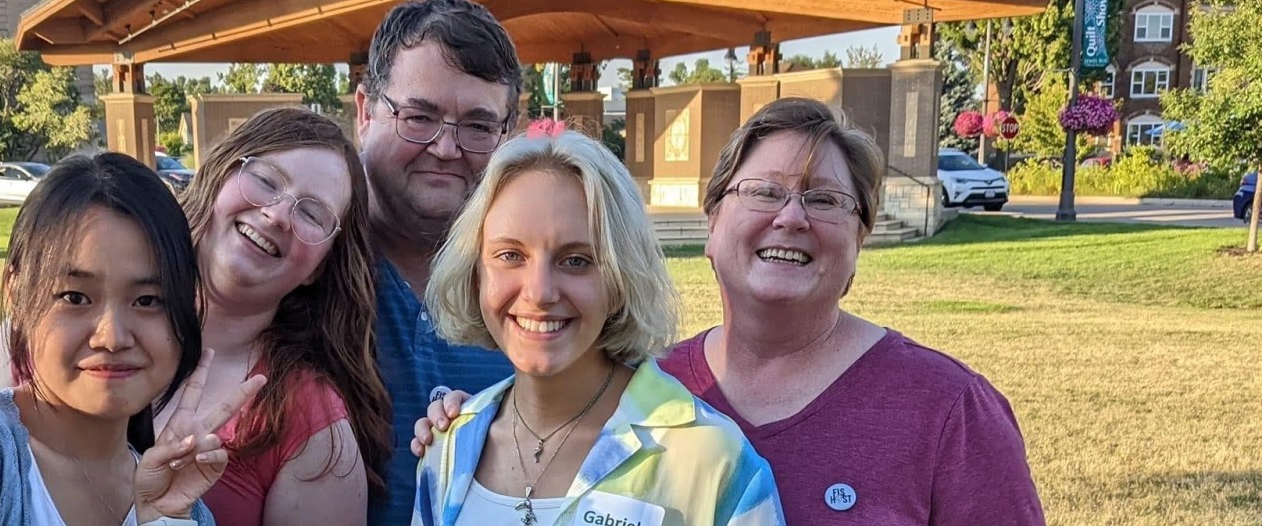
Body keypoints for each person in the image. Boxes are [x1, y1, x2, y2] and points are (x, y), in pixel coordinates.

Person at [415, 98, 1046, 524]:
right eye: (764, 192)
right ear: (712, 223)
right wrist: (459, 421)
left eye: (825, 199)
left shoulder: (949, 411)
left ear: (861, 239)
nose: (791, 217)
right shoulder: (648, 392)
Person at [0, 108, 390, 526]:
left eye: (312, 214)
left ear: (320, 265)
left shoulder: (310, 422)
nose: (277, 214)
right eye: (264, 180)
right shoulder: (34, 340)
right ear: (216, 179)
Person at [0, 152, 265, 525]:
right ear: (17, 292)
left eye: (147, 300)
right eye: (74, 297)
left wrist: (161, 521)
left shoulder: (183, 505)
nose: (113, 337)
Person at [413, 124, 785, 526]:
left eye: (576, 260)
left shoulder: (710, 460)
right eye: (510, 255)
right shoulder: (447, 449)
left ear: (620, 279)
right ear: (476, 273)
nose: (539, 292)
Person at [353, 1, 523, 523]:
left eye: (477, 126)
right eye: (419, 116)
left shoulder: (543, 294)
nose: (446, 148)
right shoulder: (299, 265)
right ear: (365, 112)